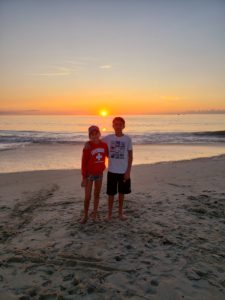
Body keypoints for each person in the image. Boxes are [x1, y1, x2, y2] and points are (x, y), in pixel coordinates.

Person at [103, 117, 133, 220]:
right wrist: (88, 145)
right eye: (116, 124)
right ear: (113, 126)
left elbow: (130, 156)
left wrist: (128, 171)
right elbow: (97, 143)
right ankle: (109, 214)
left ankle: (120, 213)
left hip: (123, 171)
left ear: (123, 126)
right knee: (111, 194)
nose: (118, 126)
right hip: (111, 171)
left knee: (121, 193)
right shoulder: (108, 138)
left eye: (120, 124)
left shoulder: (127, 139)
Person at [80, 125, 108, 224]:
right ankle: (85, 215)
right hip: (89, 175)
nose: (94, 136)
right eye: (92, 135)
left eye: (96, 134)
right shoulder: (87, 147)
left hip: (99, 174)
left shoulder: (104, 145)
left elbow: (109, 155)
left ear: (99, 134)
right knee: (87, 197)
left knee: (96, 195)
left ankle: (95, 215)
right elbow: (83, 163)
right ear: (89, 136)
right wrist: (83, 177)